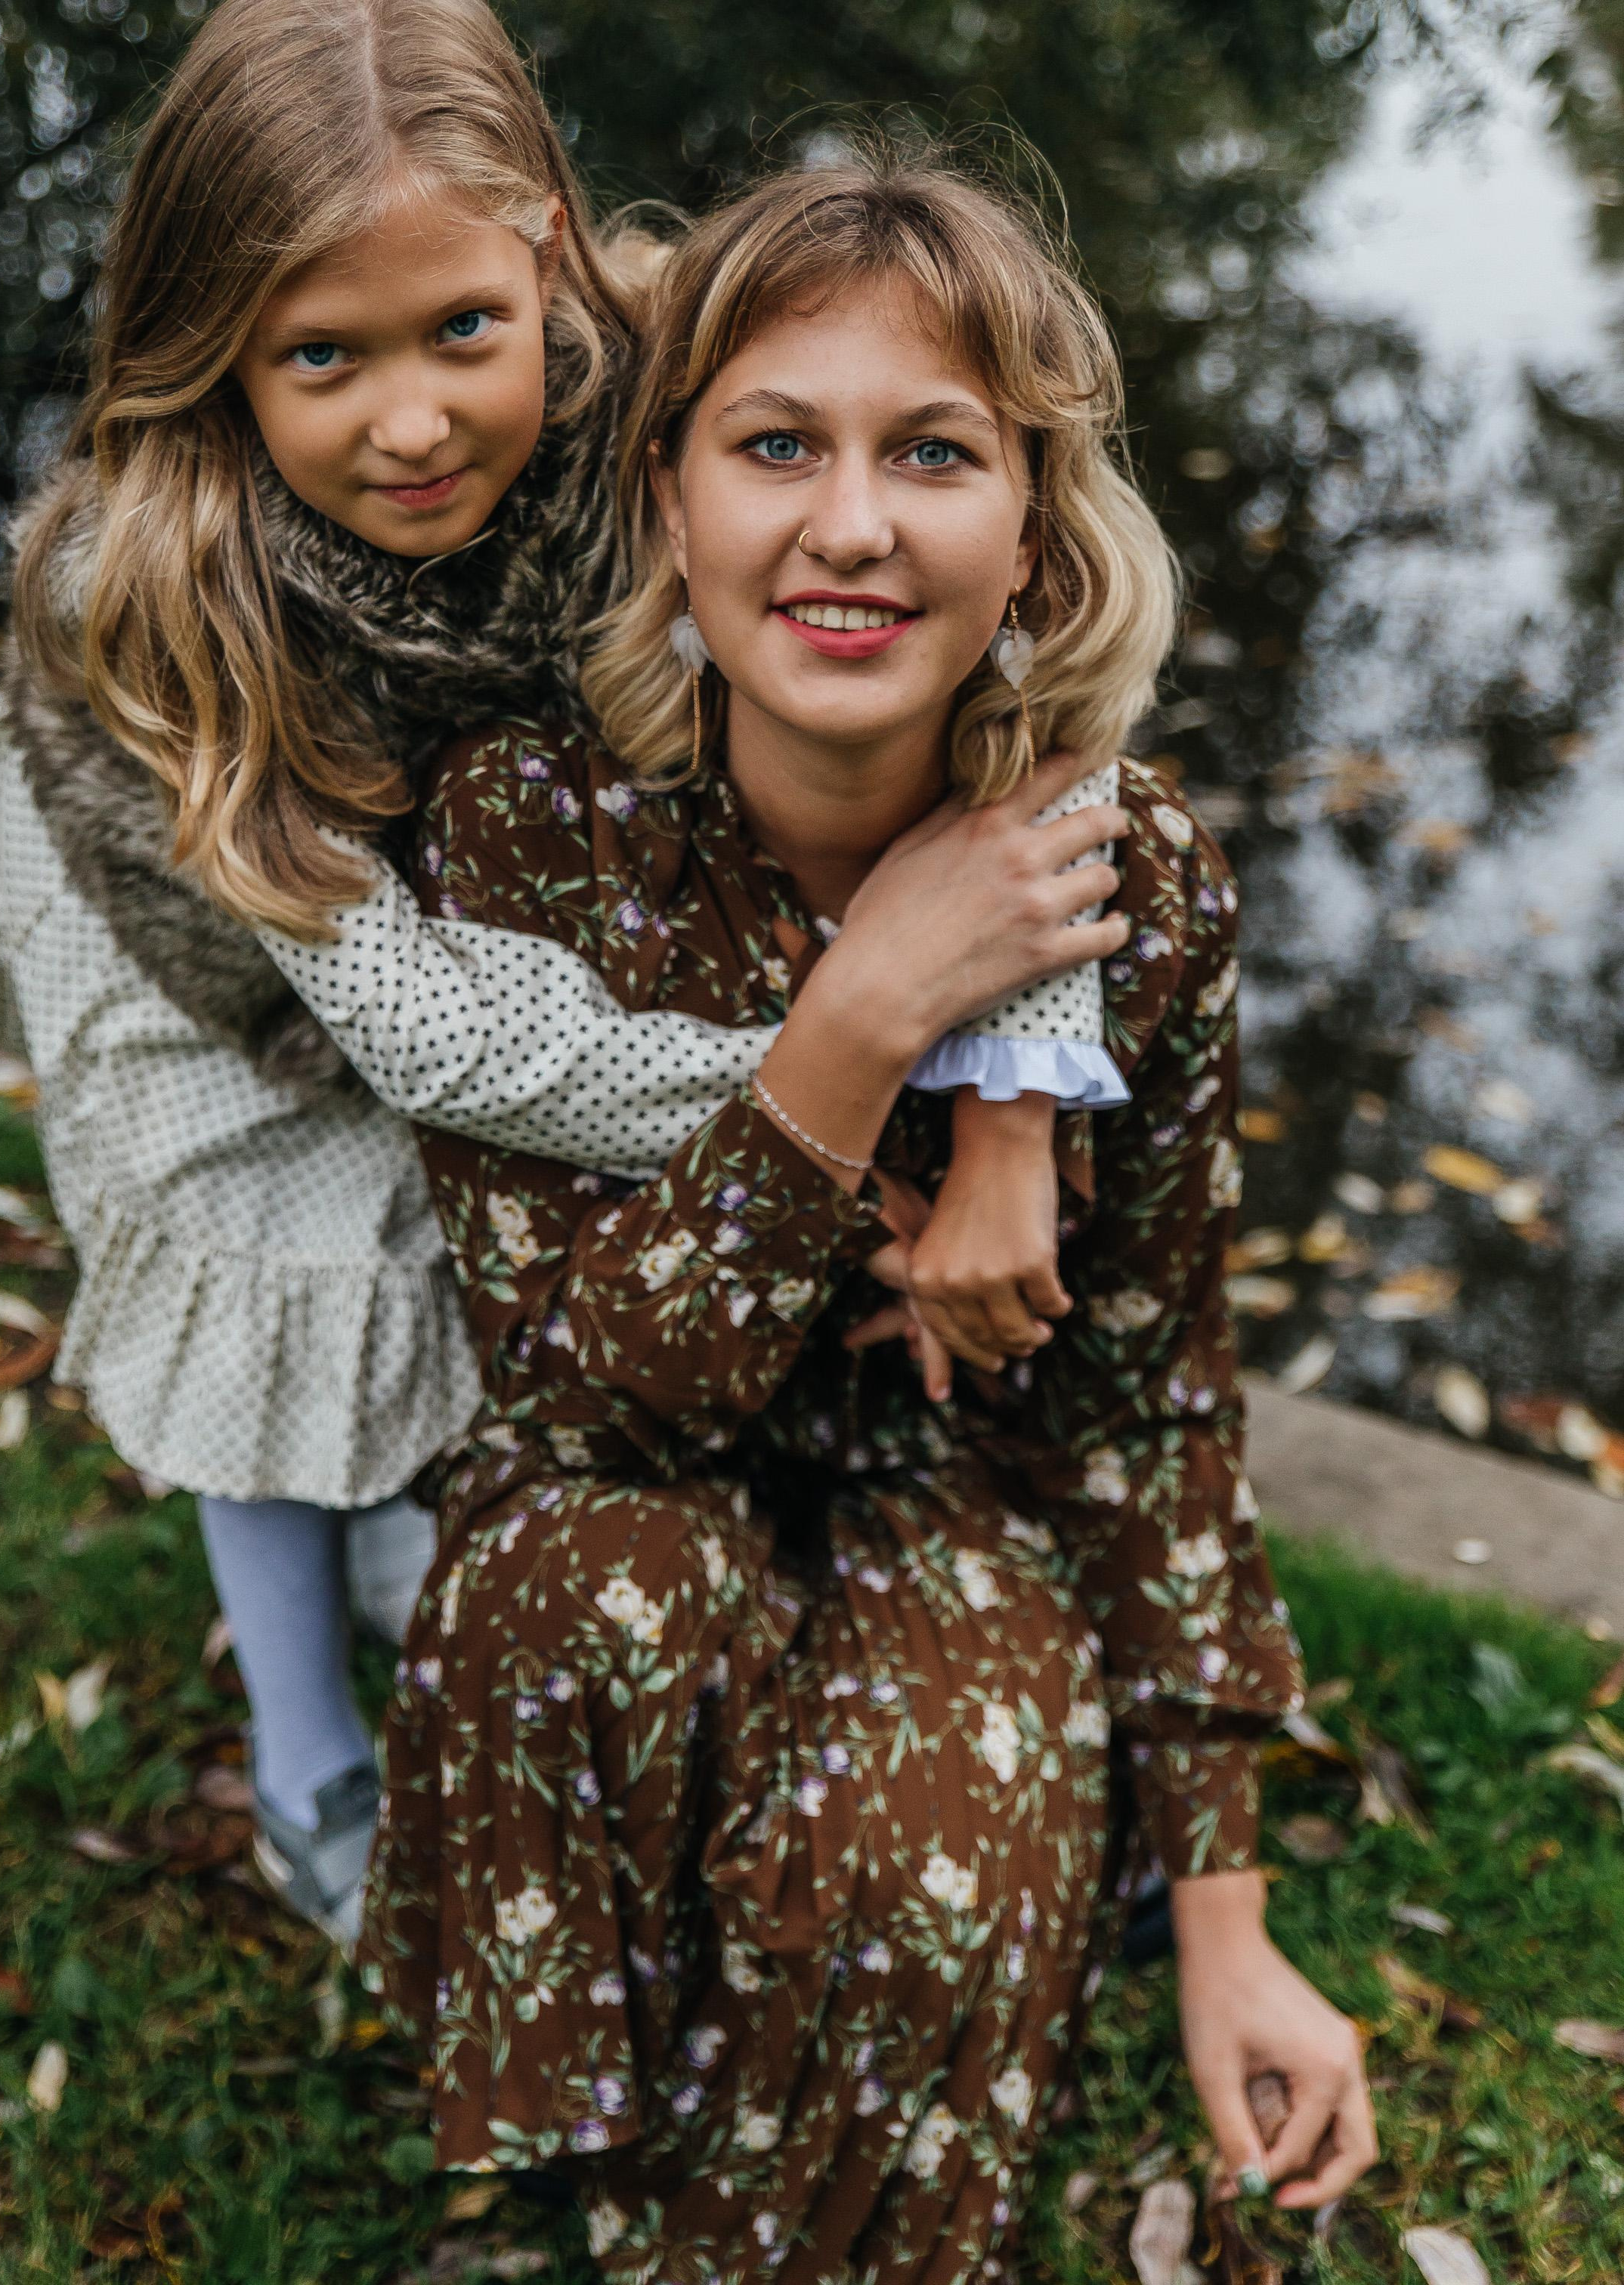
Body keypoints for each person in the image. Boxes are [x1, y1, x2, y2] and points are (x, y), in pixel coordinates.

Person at [0, 0, 1124, 1948]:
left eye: (461, 330)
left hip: (480, 904)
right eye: (325, 358)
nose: (409, 422)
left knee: (480, 1286)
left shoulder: (688, 388)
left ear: (556, 254)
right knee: (295, 1292)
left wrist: (1009, 1091)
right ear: (215, 340)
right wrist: (862, 1045)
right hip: (232, 935)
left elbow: (1027, 705)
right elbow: (423, 1040)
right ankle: (312, 1749)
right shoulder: (175, 586)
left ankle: (438, 1546)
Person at [360, 149, 1377, 2279]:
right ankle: (596, 2138)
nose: (848, 526)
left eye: (931, 453)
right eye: (774, 446)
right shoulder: (529, 830)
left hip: (954, 1492)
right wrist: (870, 1013)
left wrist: (1227, 1926)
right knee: (582, 1597)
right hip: (622, 1468)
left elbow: (1150, 1401)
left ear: (1030, 529)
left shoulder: (1143, 890)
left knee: (923, 1890)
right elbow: (590, 1388)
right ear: (666, 501)